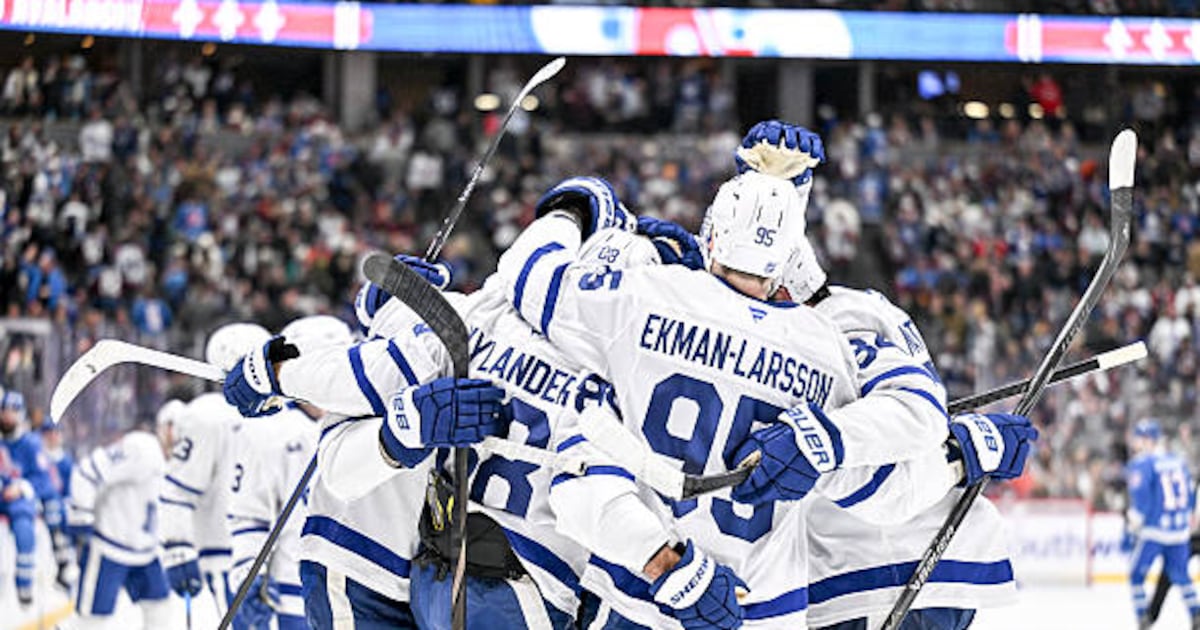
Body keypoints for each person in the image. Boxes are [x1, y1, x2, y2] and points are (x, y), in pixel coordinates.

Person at [494, 171, 974, 629]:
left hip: (635, 593)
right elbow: (889, 483)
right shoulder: (826, 349)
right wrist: (959, 458)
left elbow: (527, 274)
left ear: (712, 235)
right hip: (762, 611)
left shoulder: (642, 296)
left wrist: (576, 207)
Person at [222, 177, 638, 629]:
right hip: (370, 564)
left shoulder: (472, 320)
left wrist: (276, 374)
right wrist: (405, 421)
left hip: (440, 579)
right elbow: (339, 467)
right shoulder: (471, 322)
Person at [736, 120, 1033, 630]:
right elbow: (898, 458)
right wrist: (962, 454)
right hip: (870, 581)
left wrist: (956, 449)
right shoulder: (834, 319)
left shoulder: (852, 319)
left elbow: (909, 431)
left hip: (882, 580)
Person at [226, 315, 350, 630]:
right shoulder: (270, 433)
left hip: (360, 595)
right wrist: (247, 574)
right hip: (296, 595)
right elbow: (249, 514)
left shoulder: (367, 422)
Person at [159, 323, 270, 620]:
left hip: (281, 561)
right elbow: (177, 490)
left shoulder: (280, 416)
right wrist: (177, 548)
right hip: (228, 560)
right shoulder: (207, 416)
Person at [62, 420, 171, 629]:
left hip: (145, 551)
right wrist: (82, 516)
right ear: (168, 427)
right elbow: (86, 471)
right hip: (109, 546)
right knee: (90, 621)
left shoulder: (177, 463)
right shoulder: (142, 447)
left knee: (160, 608)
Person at [1125, 418, 1200, 630]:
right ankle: (1196, 614)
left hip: (1154, 530)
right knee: (1181, 575)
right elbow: (1190, 494)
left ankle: (1143, 619)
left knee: (1136, 575)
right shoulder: (1177, 461)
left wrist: (1132, 526)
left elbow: (1142, 501)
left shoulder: (1142, 463)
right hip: (1178, 530)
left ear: (1147, 439)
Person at [0, 389, 39, 605]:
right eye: (3, 411)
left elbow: (42, 478)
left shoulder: (31, 444)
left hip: (18, 500)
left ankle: (24, 584)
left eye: (12, 412)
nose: (7, 416)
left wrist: (22, 487)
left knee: (25, 527)